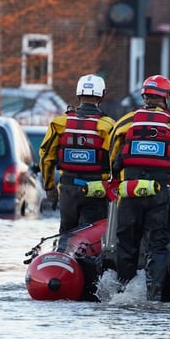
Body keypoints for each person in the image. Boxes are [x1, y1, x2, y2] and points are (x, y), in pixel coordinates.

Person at [108, 74, 170, 300]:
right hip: (162, 192)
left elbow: (113, 152)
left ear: (145, 96)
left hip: (129, 192)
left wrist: (115, 179)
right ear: (166, 98)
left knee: (126, 244)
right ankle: (153, 294)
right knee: (158, 245)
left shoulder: (125, 121)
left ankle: (123, 292)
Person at [39, 74, 115, 241]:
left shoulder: (59, 123)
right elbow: (115, 159)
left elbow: (46, 157)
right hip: (97, 190)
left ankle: (63, 259)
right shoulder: (107, 126)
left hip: (67, 189)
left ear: (79, 94)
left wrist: (49, 187)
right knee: (91, 237)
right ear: (101, 96)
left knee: (66, 234)